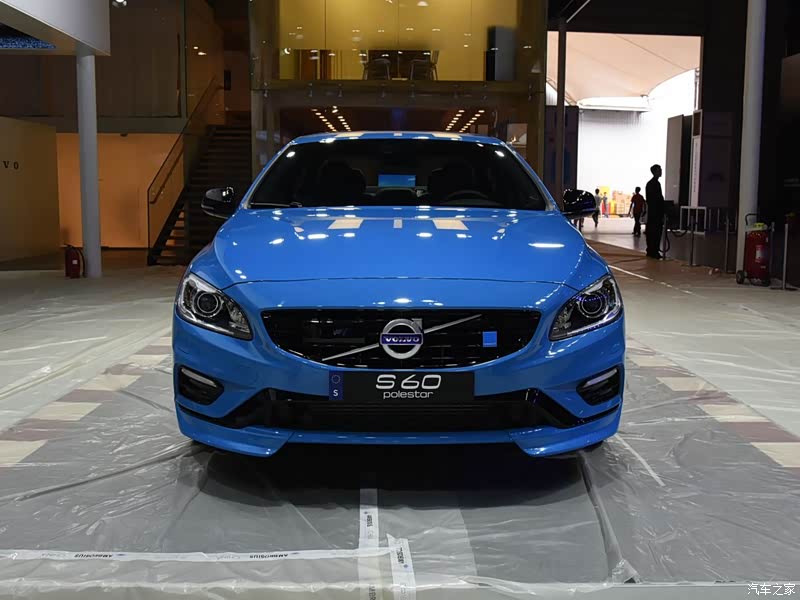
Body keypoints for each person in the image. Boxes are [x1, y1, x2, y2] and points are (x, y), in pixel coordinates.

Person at [644, 164, 664, 258]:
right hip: (655, 212)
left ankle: (651, 250)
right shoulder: (654, 184)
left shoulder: (651, 183)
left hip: (653, 212)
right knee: (655, 232)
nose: (661, 171)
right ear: (655, 172)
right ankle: (654, 251)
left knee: (652, 232)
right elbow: (657, 199)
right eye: (659, 170)